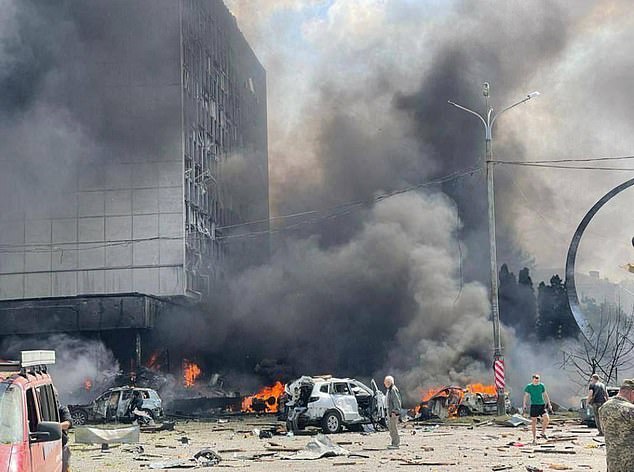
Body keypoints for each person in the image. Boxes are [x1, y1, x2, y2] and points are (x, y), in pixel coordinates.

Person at [598, 378, 634, 472]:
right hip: (630, 463)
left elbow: (604, 430)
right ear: (632, 393)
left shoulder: (603, 408)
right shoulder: (630, 409)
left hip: (613, 462)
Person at [522, 373, 552, 445]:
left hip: (541, 405)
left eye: (538, 380)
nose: (537, 381)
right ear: (533, 379)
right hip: (534, 406)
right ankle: (534, 438)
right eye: (535, 380)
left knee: (547, 419)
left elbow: (545, 395)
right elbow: (525, 396)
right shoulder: (529, 386)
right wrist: (524, 404)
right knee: (534, 422)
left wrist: (549, 404)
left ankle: (542, 433)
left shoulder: (541, 386)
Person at [54, 388, 72, 472]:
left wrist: (56, 426)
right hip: (46, 445)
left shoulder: (62, 409)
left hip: (60, 444)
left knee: (65, 468)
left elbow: (68, 423)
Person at [384, 375, 402, 449]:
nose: (384, 383)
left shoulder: (393, 390)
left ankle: (396, 444)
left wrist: (395, 411)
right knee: (391, 428)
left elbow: (396, 401)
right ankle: (393, 442)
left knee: (393, 428)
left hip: (393, 413)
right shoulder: (390, 389)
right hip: (390, 412)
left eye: (385, 382)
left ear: (389, 382)